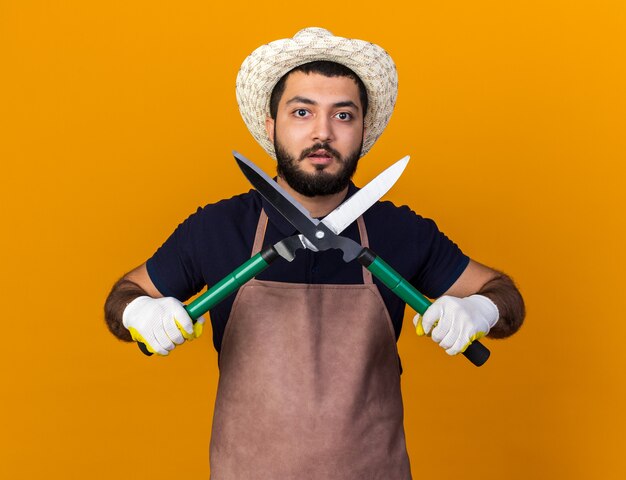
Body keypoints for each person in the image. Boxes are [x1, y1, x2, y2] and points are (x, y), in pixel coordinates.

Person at [105, 27, 525, 479]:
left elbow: (507, 300)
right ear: (271, 127)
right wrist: (138, 314)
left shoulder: (400, 230)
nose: (322, 133)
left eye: (343, 116)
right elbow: (122, 298)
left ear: (364, 130)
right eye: (302, 112)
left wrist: (480, 311)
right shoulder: (217, 228)